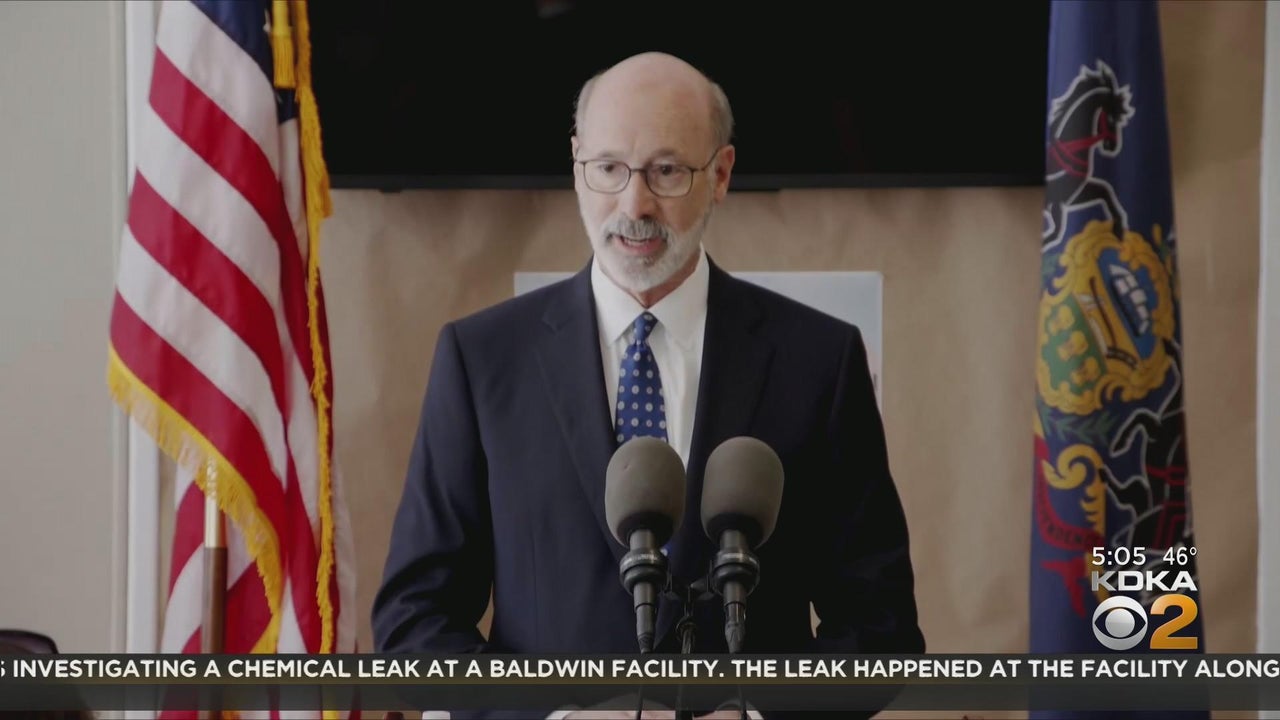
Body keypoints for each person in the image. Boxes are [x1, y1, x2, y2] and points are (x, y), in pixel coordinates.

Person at [372, 52, 926, 719]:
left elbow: (879, 628)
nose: (634, 205)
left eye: (666, 171)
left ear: (720, 175)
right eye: (609, 168)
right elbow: (414, 623)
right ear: (576, 165)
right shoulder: (481, 359)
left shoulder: (819, 360)